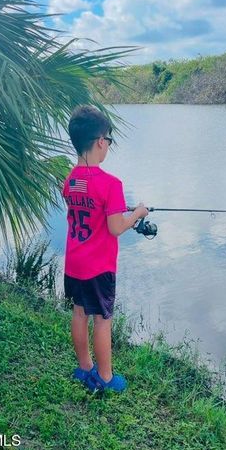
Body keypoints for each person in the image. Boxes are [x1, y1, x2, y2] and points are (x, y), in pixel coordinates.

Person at [62, 105, 149, 392]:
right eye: (108, 141)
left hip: (74, 264)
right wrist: (137, 213)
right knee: (102, 320)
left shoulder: (70, 181)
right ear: (101, 141)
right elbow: (115, 227)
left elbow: (85, 210)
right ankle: (106, 378)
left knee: (78, 313)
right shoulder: (112, 184)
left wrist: (116, 211)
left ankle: (85, 368)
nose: (108, 145)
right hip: (99, 268)